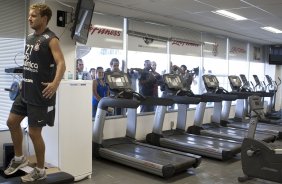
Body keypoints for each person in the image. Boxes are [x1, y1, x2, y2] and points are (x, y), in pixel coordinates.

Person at [4, 3, 66, 182]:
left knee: (34, 133)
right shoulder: (31, 38)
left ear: (44, 18)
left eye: (33, 16)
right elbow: (30, 65)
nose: (29, 18)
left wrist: (55, 83)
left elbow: (61, 63)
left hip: (40, 95)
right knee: (12, 122)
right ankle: (19, 158)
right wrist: (24, 80)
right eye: (29, 15)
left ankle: (40, 169)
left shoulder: (51, 38)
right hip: (26, 90)